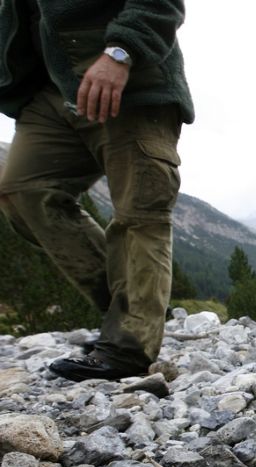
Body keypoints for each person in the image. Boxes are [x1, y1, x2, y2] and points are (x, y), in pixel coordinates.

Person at [0, 1, 194, 381]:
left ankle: (129, 346)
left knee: (139, 213)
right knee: (24, 191)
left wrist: (121, 52)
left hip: (130, 82)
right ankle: (129, 313)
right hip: (49, 89)